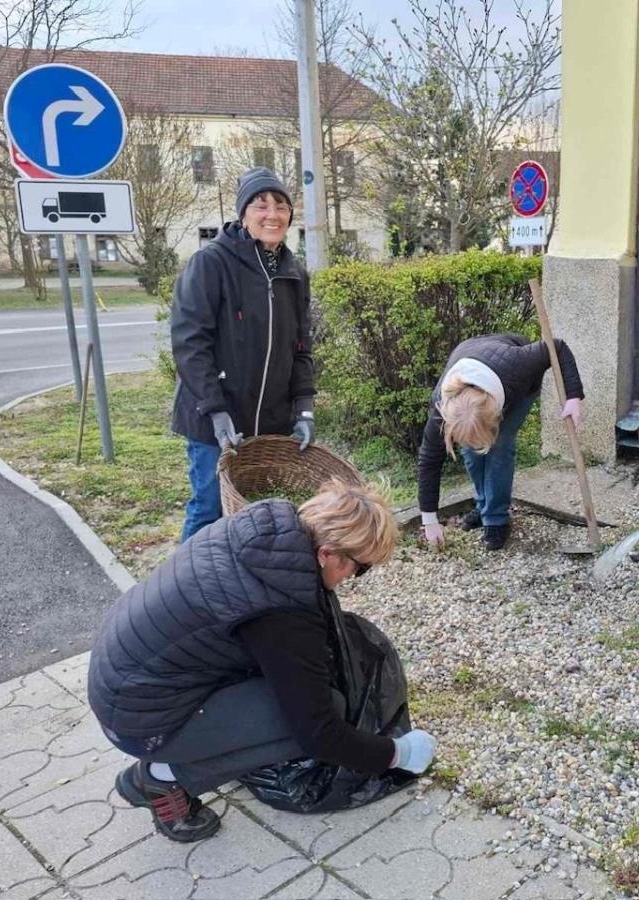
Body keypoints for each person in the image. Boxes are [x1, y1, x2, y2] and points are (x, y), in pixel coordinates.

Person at [87, 481, 437, 842]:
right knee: (314, 715)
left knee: (299, 694)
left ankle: (209, 747)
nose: (354, 578)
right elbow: (319, 735)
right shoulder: (279, 610)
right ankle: (161, 777)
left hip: (124, 676)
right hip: (139, 719)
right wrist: (398, 753)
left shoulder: (267, 531)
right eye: (359, 568)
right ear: (327, 553)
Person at [170, 166, 318, 542]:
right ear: (243, 214)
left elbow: (301, 348)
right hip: (214, 419)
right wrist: (215, 410)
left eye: (281, 206)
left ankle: (237, 591)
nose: (273, 214)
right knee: (209, 508)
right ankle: (186, 592)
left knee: (255, 514)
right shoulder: (212, 264)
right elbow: (190, 343)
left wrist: (303, 409)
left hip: (269, 421)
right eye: (261, 205)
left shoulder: (294, 274)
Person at [417, 333, 585, 552]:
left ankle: (496, 519)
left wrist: (573, 397)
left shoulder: (518, 364)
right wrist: (429, 521)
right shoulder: (444, 408)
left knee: (500, 445)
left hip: (516, 386)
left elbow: (557, 347)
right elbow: (429, 461)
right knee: (472, 451)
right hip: (474, 359)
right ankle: (483, 505)